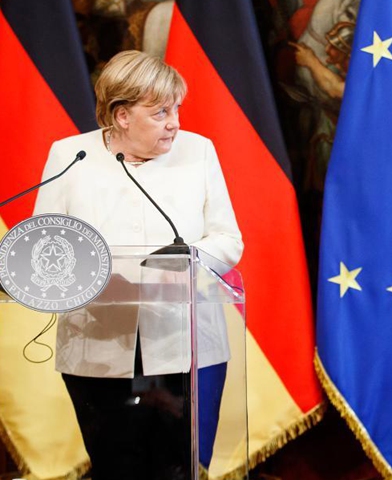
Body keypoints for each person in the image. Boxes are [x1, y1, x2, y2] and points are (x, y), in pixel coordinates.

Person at [33, 50, 243, 480]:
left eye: (176, 109)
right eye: (160, 112)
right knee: (116, 466)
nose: (174, 123)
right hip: (97, 344)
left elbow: (227, 240)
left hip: (184, 342)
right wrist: (98, 280)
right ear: (122, 115)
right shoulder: (70, 155)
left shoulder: (198, 151)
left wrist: (175, 268)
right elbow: (46, 244)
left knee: (176, 468)